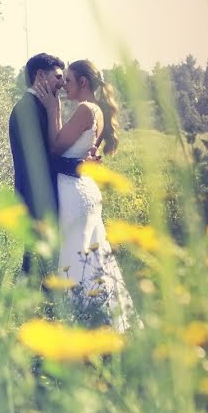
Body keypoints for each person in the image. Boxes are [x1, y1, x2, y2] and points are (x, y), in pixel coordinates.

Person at [32, 59, 140, 332]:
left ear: (82, 83)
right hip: (86, 190)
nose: (63, 86)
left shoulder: (84, 109)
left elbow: (56, 148)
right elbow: (82, 155)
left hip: (73, 193)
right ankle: (103, 320)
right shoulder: (99, 111)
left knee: (73, 258)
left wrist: (52, 109)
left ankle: (76, 325)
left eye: (67, 80)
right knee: (92, 258)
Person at [8, 53, 84, 276]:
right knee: (36, 264)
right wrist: (81, 165)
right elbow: (41, 159)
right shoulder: (27, 109)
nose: (62, 84)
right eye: (58, 77)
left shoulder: (43, 106)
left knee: (47, 260)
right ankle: (30, 309)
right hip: (35, 198)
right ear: (40, 75)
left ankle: (42, 306)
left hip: (45, 195)